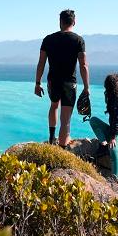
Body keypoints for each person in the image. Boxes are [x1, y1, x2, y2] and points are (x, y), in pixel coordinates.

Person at [34, 9, 89, 146]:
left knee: (53, 106)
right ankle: (63, 147)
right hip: (70, 82)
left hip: (53, 81)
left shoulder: (48, 39)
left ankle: (52, 139)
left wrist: (37, 83)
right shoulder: (78, 40)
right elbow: (83, 65)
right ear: (74, 22)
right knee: (66, 119)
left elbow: (41, 62)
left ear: (60, 22)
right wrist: (87, 87)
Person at [89, 73, 118, 179]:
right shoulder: (110, 96)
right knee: (93, 120)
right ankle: (103, 143)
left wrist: (113, 137)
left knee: (113, 149)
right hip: (114, 130)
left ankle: (115, 179)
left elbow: (117, 120)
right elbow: (113, 120)